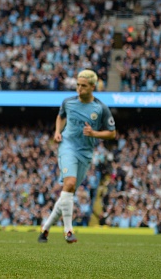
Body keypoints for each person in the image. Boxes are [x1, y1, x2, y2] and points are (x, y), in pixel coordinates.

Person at [38, 69, 116, 244]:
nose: (79, 89)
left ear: (92, 87)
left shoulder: (101, 108)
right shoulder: (68, 102)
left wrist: (94, 133)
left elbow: (112, 134)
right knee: (70, 183)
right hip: (68, 147)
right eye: (77, 85)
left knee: (68, 191)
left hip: (86, 153)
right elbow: (60, 117)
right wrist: (58, 132)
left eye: (83, 86)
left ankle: (45, 229)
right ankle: (68, 231)